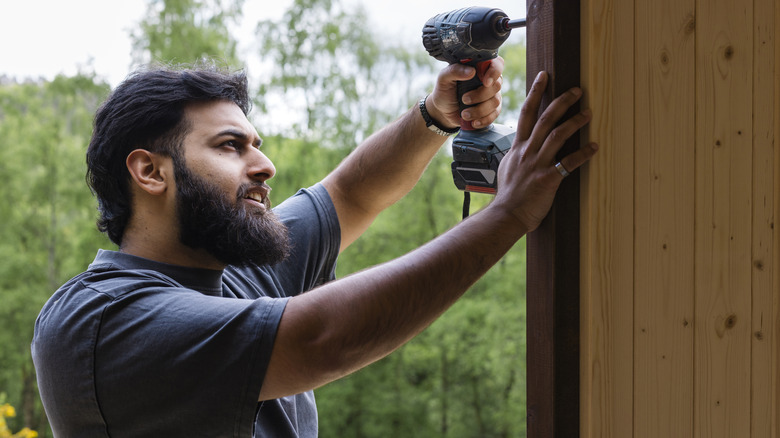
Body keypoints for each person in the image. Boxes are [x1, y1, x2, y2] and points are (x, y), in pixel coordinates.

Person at [31, 57, 597, 437]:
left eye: (258, 144)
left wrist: (434, 117)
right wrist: (511, 213)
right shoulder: (98, 319)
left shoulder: (238, 276)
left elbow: (351, 192)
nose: (265, 165)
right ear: (149, 172)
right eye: (231, 147)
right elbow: (321, 338)